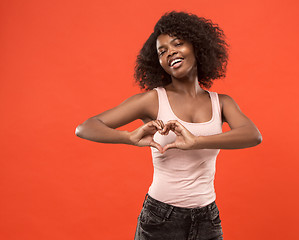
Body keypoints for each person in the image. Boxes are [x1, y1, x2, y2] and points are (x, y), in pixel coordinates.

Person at [75, 11, 262, 240]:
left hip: (207, 218)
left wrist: (197, 142)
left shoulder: (221, 103)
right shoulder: (153, 100)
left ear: (197, 46)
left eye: (178, 44)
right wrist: (128, 137)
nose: (169, 52)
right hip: (160, 218)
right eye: (161, 51)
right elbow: (85, 127)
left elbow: (252, 135)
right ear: (158, 62)